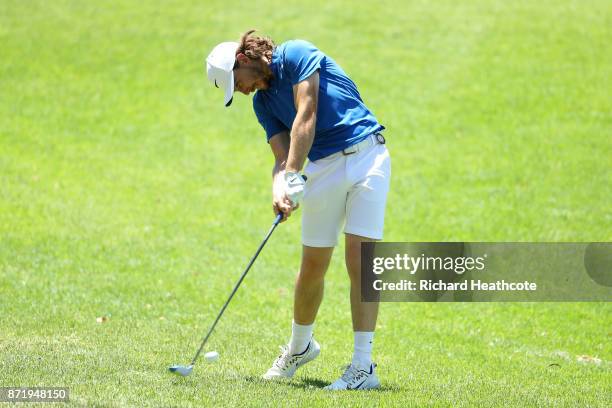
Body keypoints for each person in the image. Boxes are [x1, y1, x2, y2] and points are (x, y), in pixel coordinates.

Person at [205, 30, 391, 390]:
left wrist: (292, 173)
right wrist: (280, 188)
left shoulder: (296, 54)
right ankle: (300, 346)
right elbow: (281, 156)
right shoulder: (262, 105)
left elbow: (307, 113)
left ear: (242, 61)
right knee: (313, 265)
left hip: (368, 156)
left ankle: (363, 366)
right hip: (322, 168)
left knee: (360, 259)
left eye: (236, 83)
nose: (240, 91)